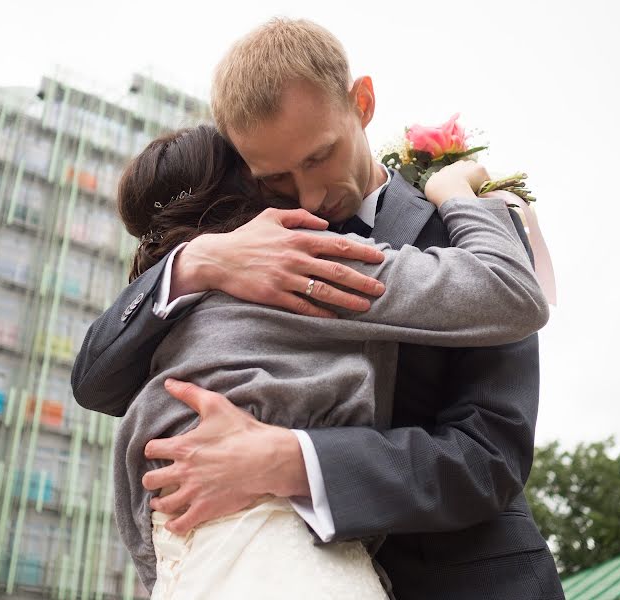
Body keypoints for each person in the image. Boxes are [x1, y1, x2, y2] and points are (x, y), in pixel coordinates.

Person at [74, 18, 565, 599]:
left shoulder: (474, 232)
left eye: (319, 157)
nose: (307, 196)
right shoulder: (243, 247)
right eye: (275, 176)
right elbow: (96, 383)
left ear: (363, 102)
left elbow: (491, 457)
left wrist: (291, 460)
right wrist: (196, 261)